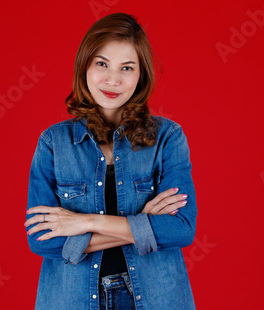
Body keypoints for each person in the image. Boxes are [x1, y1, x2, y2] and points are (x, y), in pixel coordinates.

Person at [24, 12, 197, 310]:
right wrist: (144, 224)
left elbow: (181, 228)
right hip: (71, 300)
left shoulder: (168, 137)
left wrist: (83, 223)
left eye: (126, 68)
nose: (112, 80)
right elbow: (42, 240)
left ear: (140, 75)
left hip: (158, 299)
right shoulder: (53, 143)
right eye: (102, 64)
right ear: (85, 67)